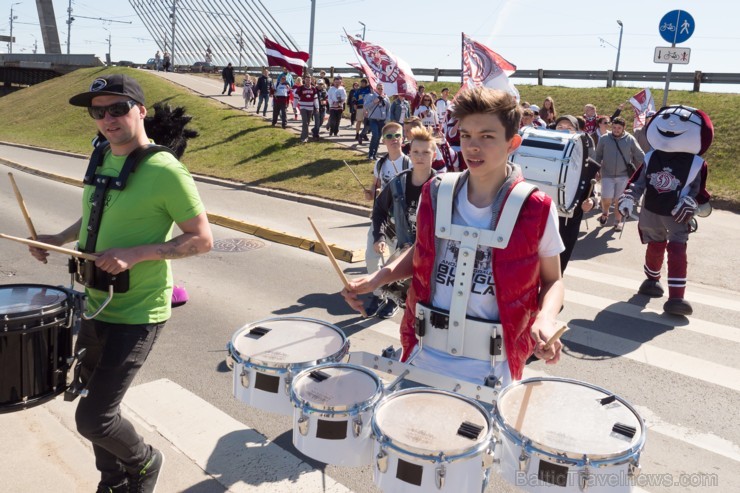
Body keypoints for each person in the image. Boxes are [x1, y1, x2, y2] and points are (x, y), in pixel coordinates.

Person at [28, 74, 213, 493]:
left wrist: (136, 253)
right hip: (95, 304)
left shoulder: (166, 170)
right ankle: (114, 481)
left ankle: (145, 462)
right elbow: (96, 215)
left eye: (117, 108)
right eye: (98, 111)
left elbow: (202, 240)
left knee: (94, 418)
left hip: (138, 311)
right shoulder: (102, 158)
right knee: (94, 402)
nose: (107, 118)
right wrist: (58, 239)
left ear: (140, 111)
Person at [342, 87, 564, 387]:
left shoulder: (536, 208)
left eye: (487, 136)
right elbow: (422, 252)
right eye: (467, 135)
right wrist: (379, 277)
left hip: (491, 368)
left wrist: (546, 319)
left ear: (513, 143)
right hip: (423, 352)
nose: (473, 147)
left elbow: (553, 280)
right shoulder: (436, 192)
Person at [618, 105, 713, 316]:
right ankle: (652, 281)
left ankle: (676, 297)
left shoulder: (696, 164)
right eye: (666, 118)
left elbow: (700, 192)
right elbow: (638, 182)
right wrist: (628, 197)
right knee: (655, 245)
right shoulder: (651, 157)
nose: (671, 124)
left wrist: (691, 201)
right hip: (651, 210)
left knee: (677, 249)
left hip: (677, 213)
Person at [369, 127, 438, 311]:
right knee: (408, 312)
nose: (420, 156)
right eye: (415, 152)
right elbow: (379, 210)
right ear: (409, 152)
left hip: (432, 262)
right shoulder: (398, 183)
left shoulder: (442, 188)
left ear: (434, 154)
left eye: (425, 152)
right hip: (404, 256)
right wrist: (380, 236)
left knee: (425, 314)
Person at [362, 122, 412, 317]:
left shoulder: (409, 163)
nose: (394, 139)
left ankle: (392, 299)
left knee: (395, 263)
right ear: (383, 141)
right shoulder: (380, 163)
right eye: (389, 137)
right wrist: (371, 193)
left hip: (400, 223)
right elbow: (375, 187)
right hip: (381, 218)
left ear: (403, 138)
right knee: (371, 257)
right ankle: (377, 294)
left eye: (397, 135)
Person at [552, 115, 598, 272]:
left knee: (559, 264)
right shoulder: (542, 154)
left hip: (568, 221)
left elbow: (591, 191)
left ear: (577, 132)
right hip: (541, 218)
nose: (564, 130)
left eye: (569, 127)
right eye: (560, 127)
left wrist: (591, 202)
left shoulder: (588, 163)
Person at [594, 116, 645, 231]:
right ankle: (605, 212)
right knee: (606, 198)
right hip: (607, 174)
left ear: (623, 128)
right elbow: (598, 155)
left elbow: (639, 154)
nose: (616, 130)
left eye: (619, 128)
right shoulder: (604, 139)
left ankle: (618, 221)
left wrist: (649, 164)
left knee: (619, 199)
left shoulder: (630, 139)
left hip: (623, 175)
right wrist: (595, 170)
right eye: (614, 127)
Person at [363, 83, 391, 160]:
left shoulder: (386, 98)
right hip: (373, 119)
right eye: (378, 88)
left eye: (381, 89)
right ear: (376, 89)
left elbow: (388, 109)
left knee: (378, 137)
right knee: (375, 135)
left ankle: (374, 154)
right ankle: (370, 153)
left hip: (382, 120)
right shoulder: (371, 96)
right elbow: (366, 106)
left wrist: (387, 119)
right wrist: (374, 101)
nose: (380, 90)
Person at [295, 75, 318, 143]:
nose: (308, 82)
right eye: (307, 80)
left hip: (310, 108)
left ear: (311, 81)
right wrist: (294, 107)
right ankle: (304, 137)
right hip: (303, 107)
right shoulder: (300, 88)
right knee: (305, 122)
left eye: (309, 80)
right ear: (304, 80)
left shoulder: (313, 89)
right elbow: (296, 98)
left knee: (307, 123)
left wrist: (317, 107)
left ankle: (303, 134)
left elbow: (315, 99)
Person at [354, 79, 372, 143]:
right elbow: (355, 98)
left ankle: (364, 134)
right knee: (359, 120)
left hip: (367, 108)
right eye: (361, 83)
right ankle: (357, 133)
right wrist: (355, 104)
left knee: (366, 122)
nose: (362, 84)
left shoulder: (369, 89)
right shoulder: (359, 90)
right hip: (360, 106)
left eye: (364, 83)